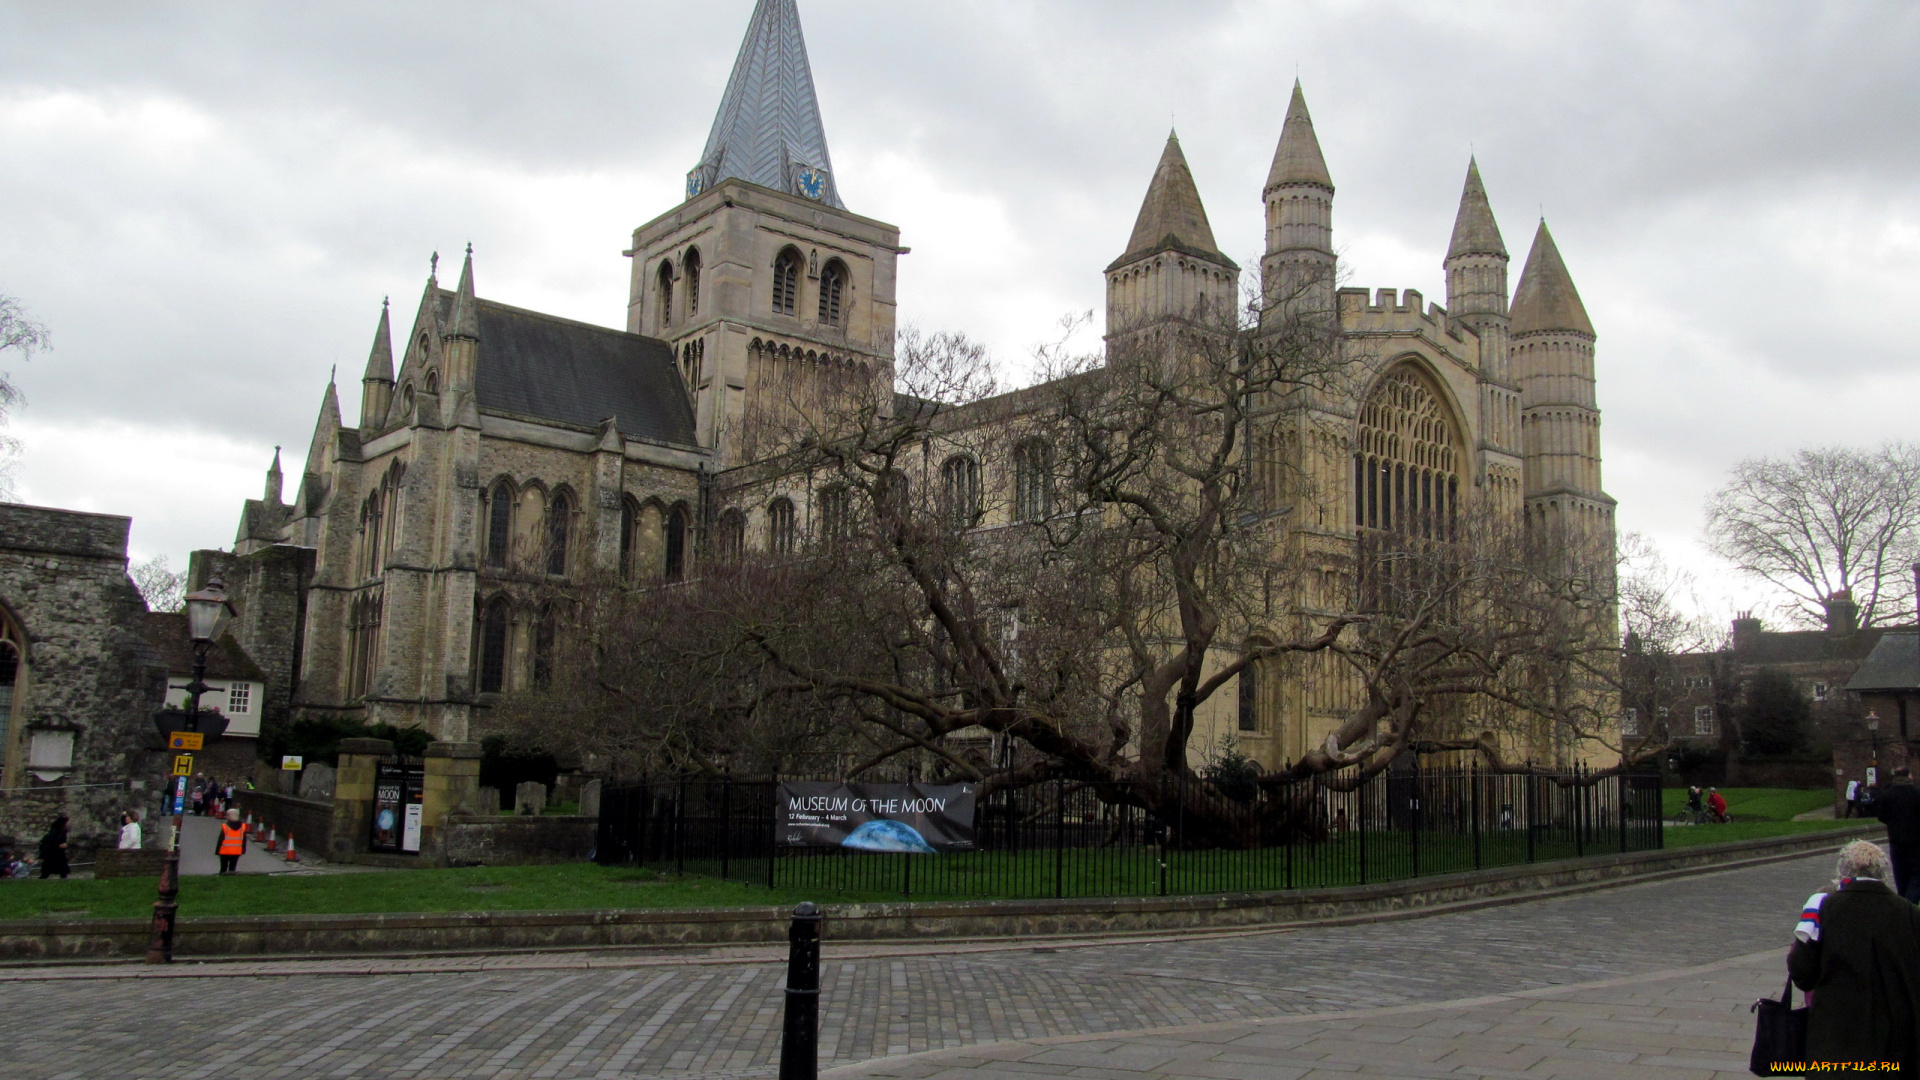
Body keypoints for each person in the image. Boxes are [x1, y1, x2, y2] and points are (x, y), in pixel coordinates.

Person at [1788, 840, 1920, 1070]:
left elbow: (1802, 973)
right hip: (1895, 1042)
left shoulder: (1822, 907)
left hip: (1836, 1036)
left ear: (1842, 871)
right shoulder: (1909, 913)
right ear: (1882, 873)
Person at [1875, 765, 1920, 903]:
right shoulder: (1916, 793)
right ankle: (1909, 902)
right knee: (1917, 873)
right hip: (1916, 840)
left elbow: (1881, 816)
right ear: (1909, 776)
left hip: (1896, 839)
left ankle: (1903, 902)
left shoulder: (1887, 795)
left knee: (1900, 874)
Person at [215, 807, 247, 875]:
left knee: (223, 868)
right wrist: (243, 850)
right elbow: (244, 840)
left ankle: (222, 879)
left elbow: (220, 840)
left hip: (225, 851)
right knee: (232, 868)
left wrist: (217, 851)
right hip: (236, 851)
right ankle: (231, 879)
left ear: (229, 816)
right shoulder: (242, 827)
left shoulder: (225, 826)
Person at [37, 814, 69, 879]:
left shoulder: (63, 831)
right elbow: (50, 842)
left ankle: (63, 877)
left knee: (62, 867)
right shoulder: (54, 831)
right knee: (47, 868)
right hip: (51, 853)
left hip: (59, 853)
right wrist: (58, 845)